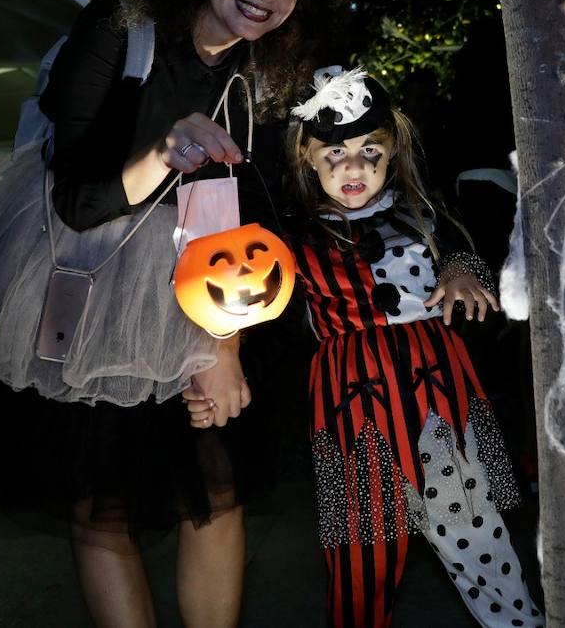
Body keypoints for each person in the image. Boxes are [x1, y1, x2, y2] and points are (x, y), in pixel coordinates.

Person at [0, 0, 355, 628]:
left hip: (200, 296)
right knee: (102, 503)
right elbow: (79, 203)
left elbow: (251, 223)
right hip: (93, 293)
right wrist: (165, 149)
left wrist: (220, 349)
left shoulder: (262, 75)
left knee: (214, 488)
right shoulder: (118, 26)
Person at [194, 65, 541, 628]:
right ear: (306, 155)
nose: (354, 166)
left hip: (438, 405)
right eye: (335, 154)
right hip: (352, 413)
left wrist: (459, 270)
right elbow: (261, 326)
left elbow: (462, 251)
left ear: (392, 151)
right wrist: (224, 372)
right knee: (362, 560)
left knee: (480, 545)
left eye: (369, 151)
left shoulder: (424, 214)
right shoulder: (289, 239)